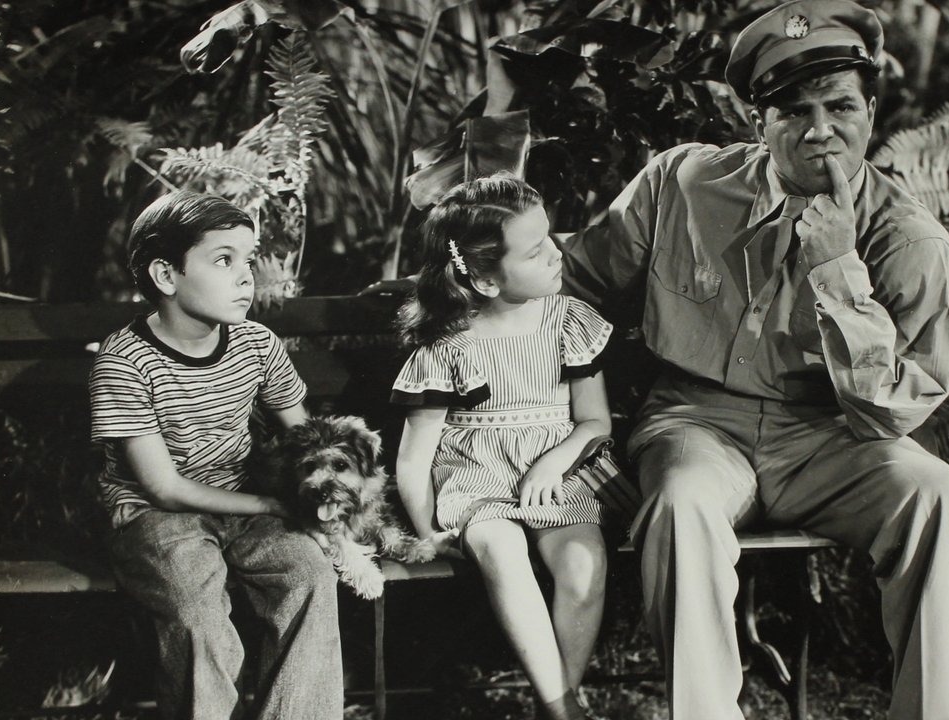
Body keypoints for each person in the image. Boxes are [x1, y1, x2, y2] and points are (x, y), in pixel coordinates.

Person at [561, 1, 949, 719]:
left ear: (871, 112)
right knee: (681, 505)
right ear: (759, 122)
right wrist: (582, 416)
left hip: (835, 437)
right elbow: (574, 283)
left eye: (840, 106)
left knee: (938, 496)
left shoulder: (911, 242)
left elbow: (890, 411)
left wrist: (839, 269)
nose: (820, 130)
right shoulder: (682, 184)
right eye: (793, 110)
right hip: (696, 423)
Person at [88, 191, 343, 720]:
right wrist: (272, 506)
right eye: (224, 260)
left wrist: (320, 503)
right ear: (165, 275)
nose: (246, 276)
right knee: (194, 608)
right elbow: (162, 487)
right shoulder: (125, 360)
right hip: (155, 513)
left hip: (242, 499)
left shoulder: (256, 343)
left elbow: (307, 442)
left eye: (248, 260)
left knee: (309, 574)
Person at [392, 174, 612, 720]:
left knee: (583, 562)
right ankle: (564, 710)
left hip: (558, 474)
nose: (558, 253)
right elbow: (414, 457)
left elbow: (595, 422)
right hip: (478, 478)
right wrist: (428, 532)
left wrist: (552, 462)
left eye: (551, 238)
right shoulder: (447, 345)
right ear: (487, 281)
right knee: (501, 550)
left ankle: (556, 702)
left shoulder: (569, 323)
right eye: (536, 251)